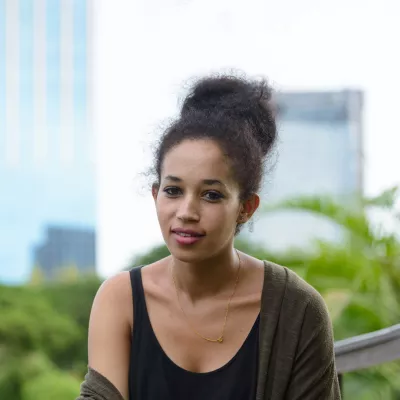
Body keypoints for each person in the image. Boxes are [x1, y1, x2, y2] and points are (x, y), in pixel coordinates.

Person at [77, 74, 341, 400]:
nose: (186, 211)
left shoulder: (297, 310)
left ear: (246, 207)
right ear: (155, 194)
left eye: (212, 195)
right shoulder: (121, 300)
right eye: (173, 191)